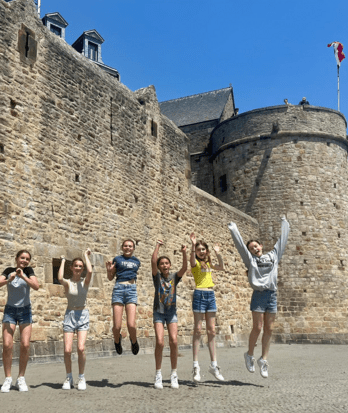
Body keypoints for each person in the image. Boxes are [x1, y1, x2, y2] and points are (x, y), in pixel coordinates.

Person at [228, 216, 290, 378]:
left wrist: (285, 223)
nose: (255, 249)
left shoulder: (274, 255)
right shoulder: (251, 261)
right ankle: (249, 355)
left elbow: (282, 240)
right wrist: (234, 229)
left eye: (256, 246)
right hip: (259, 295)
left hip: (272, 295)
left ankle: (263, 360)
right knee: (257, 327)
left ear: (261, 246)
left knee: (269, 329)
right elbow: (241, 246)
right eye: (252, 248)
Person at [0, 250, 39, 392]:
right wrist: (8, 279)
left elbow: (36, 286)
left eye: (27, 259)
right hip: (10, 311)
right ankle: (8, 378)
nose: (24, 260)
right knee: (7, 345)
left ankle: (21, 377)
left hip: (25, 311)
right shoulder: (8, 270)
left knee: (25, 344)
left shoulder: (29, 271)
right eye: (22, 258)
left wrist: (23, 276)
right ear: (16, 258)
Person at [151, 240, 187, 389]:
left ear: (170, 265)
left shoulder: (174, 278)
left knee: (174, 341)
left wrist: (184, 252)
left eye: (167, 263)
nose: (165, 265)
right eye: (162, 264)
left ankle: (174, 374)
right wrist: (157, 246)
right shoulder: (157, 278)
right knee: (160, 342)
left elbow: (185, 268)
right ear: (159, 267)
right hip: (158, 313)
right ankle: (158, 374)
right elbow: (153, 261)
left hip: (171, 313)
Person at [189, 233, 225, 383]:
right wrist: (192, 245)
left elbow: (222, 267)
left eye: (203, 249)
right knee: (198, 329)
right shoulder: (196, 264)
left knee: (212, 330)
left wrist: (218, 253)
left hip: (211, 295)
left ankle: (214, 365)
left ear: (207, 251)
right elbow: (191, 260)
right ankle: (196, 365)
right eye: (199, 249)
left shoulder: (209, 264)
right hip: (199, 295)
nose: (201, 251)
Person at [58, 249, 93, 391]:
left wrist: (85, 256)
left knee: (80, 348)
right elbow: (60, 278)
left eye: (80, 266)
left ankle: (81, 377)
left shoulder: (85, 282)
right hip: (70, 315)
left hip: (83, 315)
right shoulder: (67, 283)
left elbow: (90, 272)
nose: (78, 268)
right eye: (76, 266)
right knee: (67, 350)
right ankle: (68, 377)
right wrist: (63, 261)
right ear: (71, 268)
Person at [106, 239, 140, 356]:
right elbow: (110, 277)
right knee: (117, 326)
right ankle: (117, 340)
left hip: (131, 290)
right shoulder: (117, 259)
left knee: (131, 325)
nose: (128, 248)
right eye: (125, 246)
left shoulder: (137, 261)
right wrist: (108, 270)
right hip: (119, 290)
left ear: (133, 248)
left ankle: (134, 341)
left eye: (130, 246)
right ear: (122, 247)